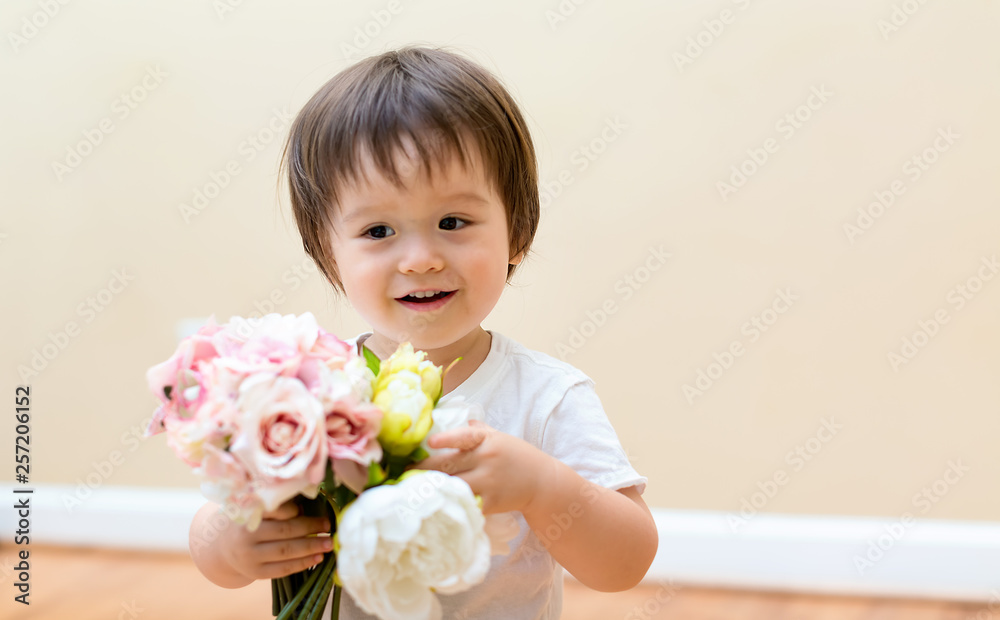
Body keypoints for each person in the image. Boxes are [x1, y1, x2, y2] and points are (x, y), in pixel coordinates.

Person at [188, 45, 657, 619]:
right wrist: (233, 548)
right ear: (328, 255)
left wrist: (542, 487)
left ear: (517, 233)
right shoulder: (304, 389)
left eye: (453, 222)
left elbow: (626, 562)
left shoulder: (547, 398)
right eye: (379, 229)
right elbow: (213, 534)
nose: (420, 259)